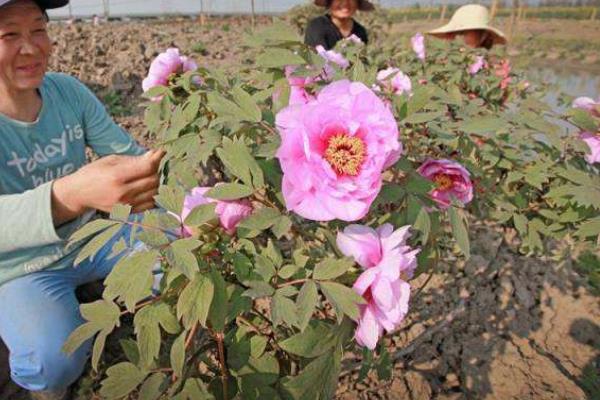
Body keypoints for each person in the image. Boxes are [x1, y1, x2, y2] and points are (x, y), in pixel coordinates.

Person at [0, 1, 164, 399]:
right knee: (49, 361)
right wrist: (67, 195)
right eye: (9, 35)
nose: (30, 47)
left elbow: (129, 155)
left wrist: (179, 182)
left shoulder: (67, 93)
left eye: (38, 30)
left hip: (92, 238)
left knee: (180, 248)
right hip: (21, 266)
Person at [427, 4, 507, 50]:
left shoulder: (489, 70)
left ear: (483, 35)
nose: (456, 37)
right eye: (453, 33)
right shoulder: (446, 63)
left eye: (463, 33)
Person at [305, 0, 373, 50]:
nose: (345, 3)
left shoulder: (360, 32)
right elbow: (318, 60)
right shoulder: (317, 26)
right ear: (330, 2)